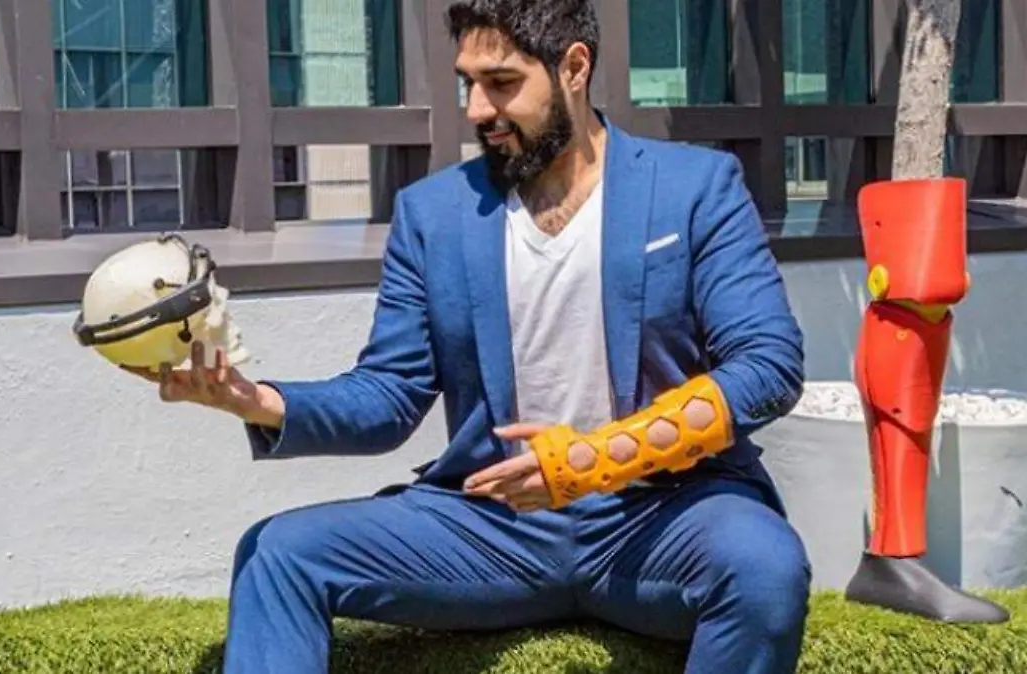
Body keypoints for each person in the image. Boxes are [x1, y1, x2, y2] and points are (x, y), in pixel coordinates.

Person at [128, 1, 812, 671]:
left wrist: (596, 459)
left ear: (574, 68)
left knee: (764, 567)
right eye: (469, 84)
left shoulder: (695, 187)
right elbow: (390, 393)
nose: (479, 109)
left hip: (660, 516)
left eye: (502, 82)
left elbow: (768, 365)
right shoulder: (434, 214)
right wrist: (257, 401)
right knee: (278, 553)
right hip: (494, 526)